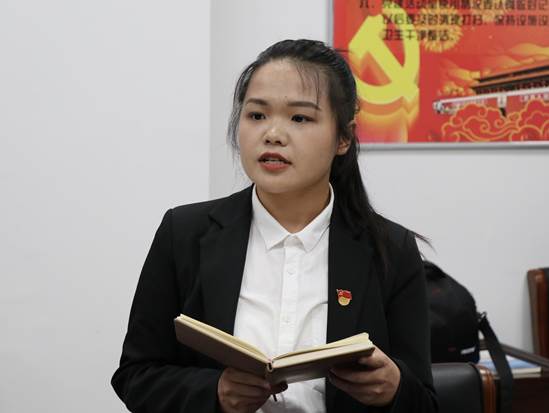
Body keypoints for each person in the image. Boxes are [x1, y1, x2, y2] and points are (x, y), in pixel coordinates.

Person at [112, 39, 437, 413]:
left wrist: (394, 389)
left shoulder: (391, 248)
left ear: (343, 137)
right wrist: (215, 393)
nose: (273, 134)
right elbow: (136, 376)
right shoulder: (183, 233)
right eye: (256, 115)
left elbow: (425, 403)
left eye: (300, 118)